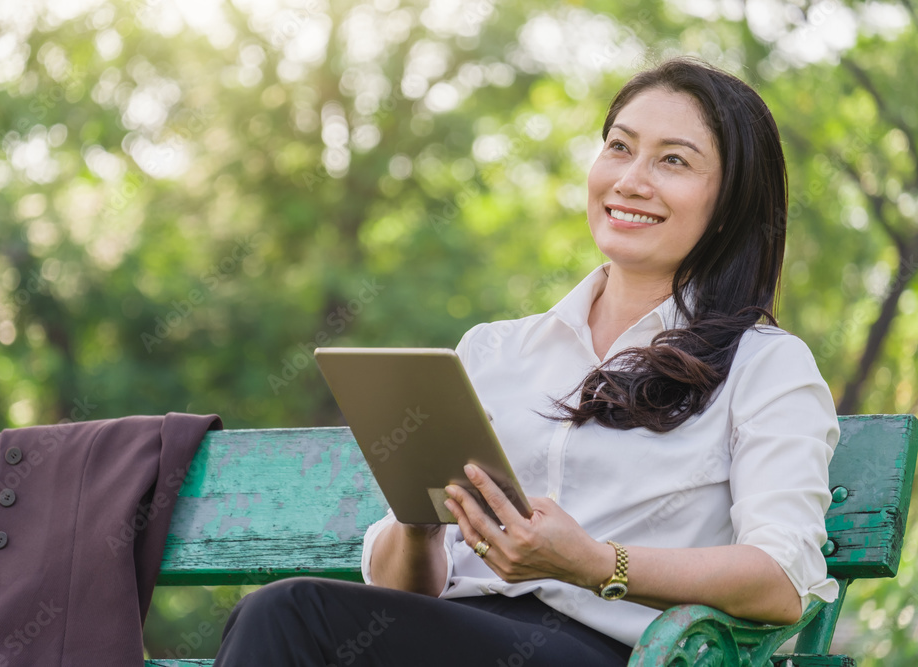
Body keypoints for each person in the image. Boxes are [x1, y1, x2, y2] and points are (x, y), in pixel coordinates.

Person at [213, 56, 839, 666]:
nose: (630, 180)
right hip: (448, 634)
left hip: (619, 649)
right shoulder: (494, 350)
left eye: (673, 160)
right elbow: (403, 593)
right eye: (619, 147)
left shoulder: (764, 366)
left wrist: (596, 563)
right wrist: (422, 522)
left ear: (731, 201)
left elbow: (782, 579)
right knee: (287, 619)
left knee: (285, 614)